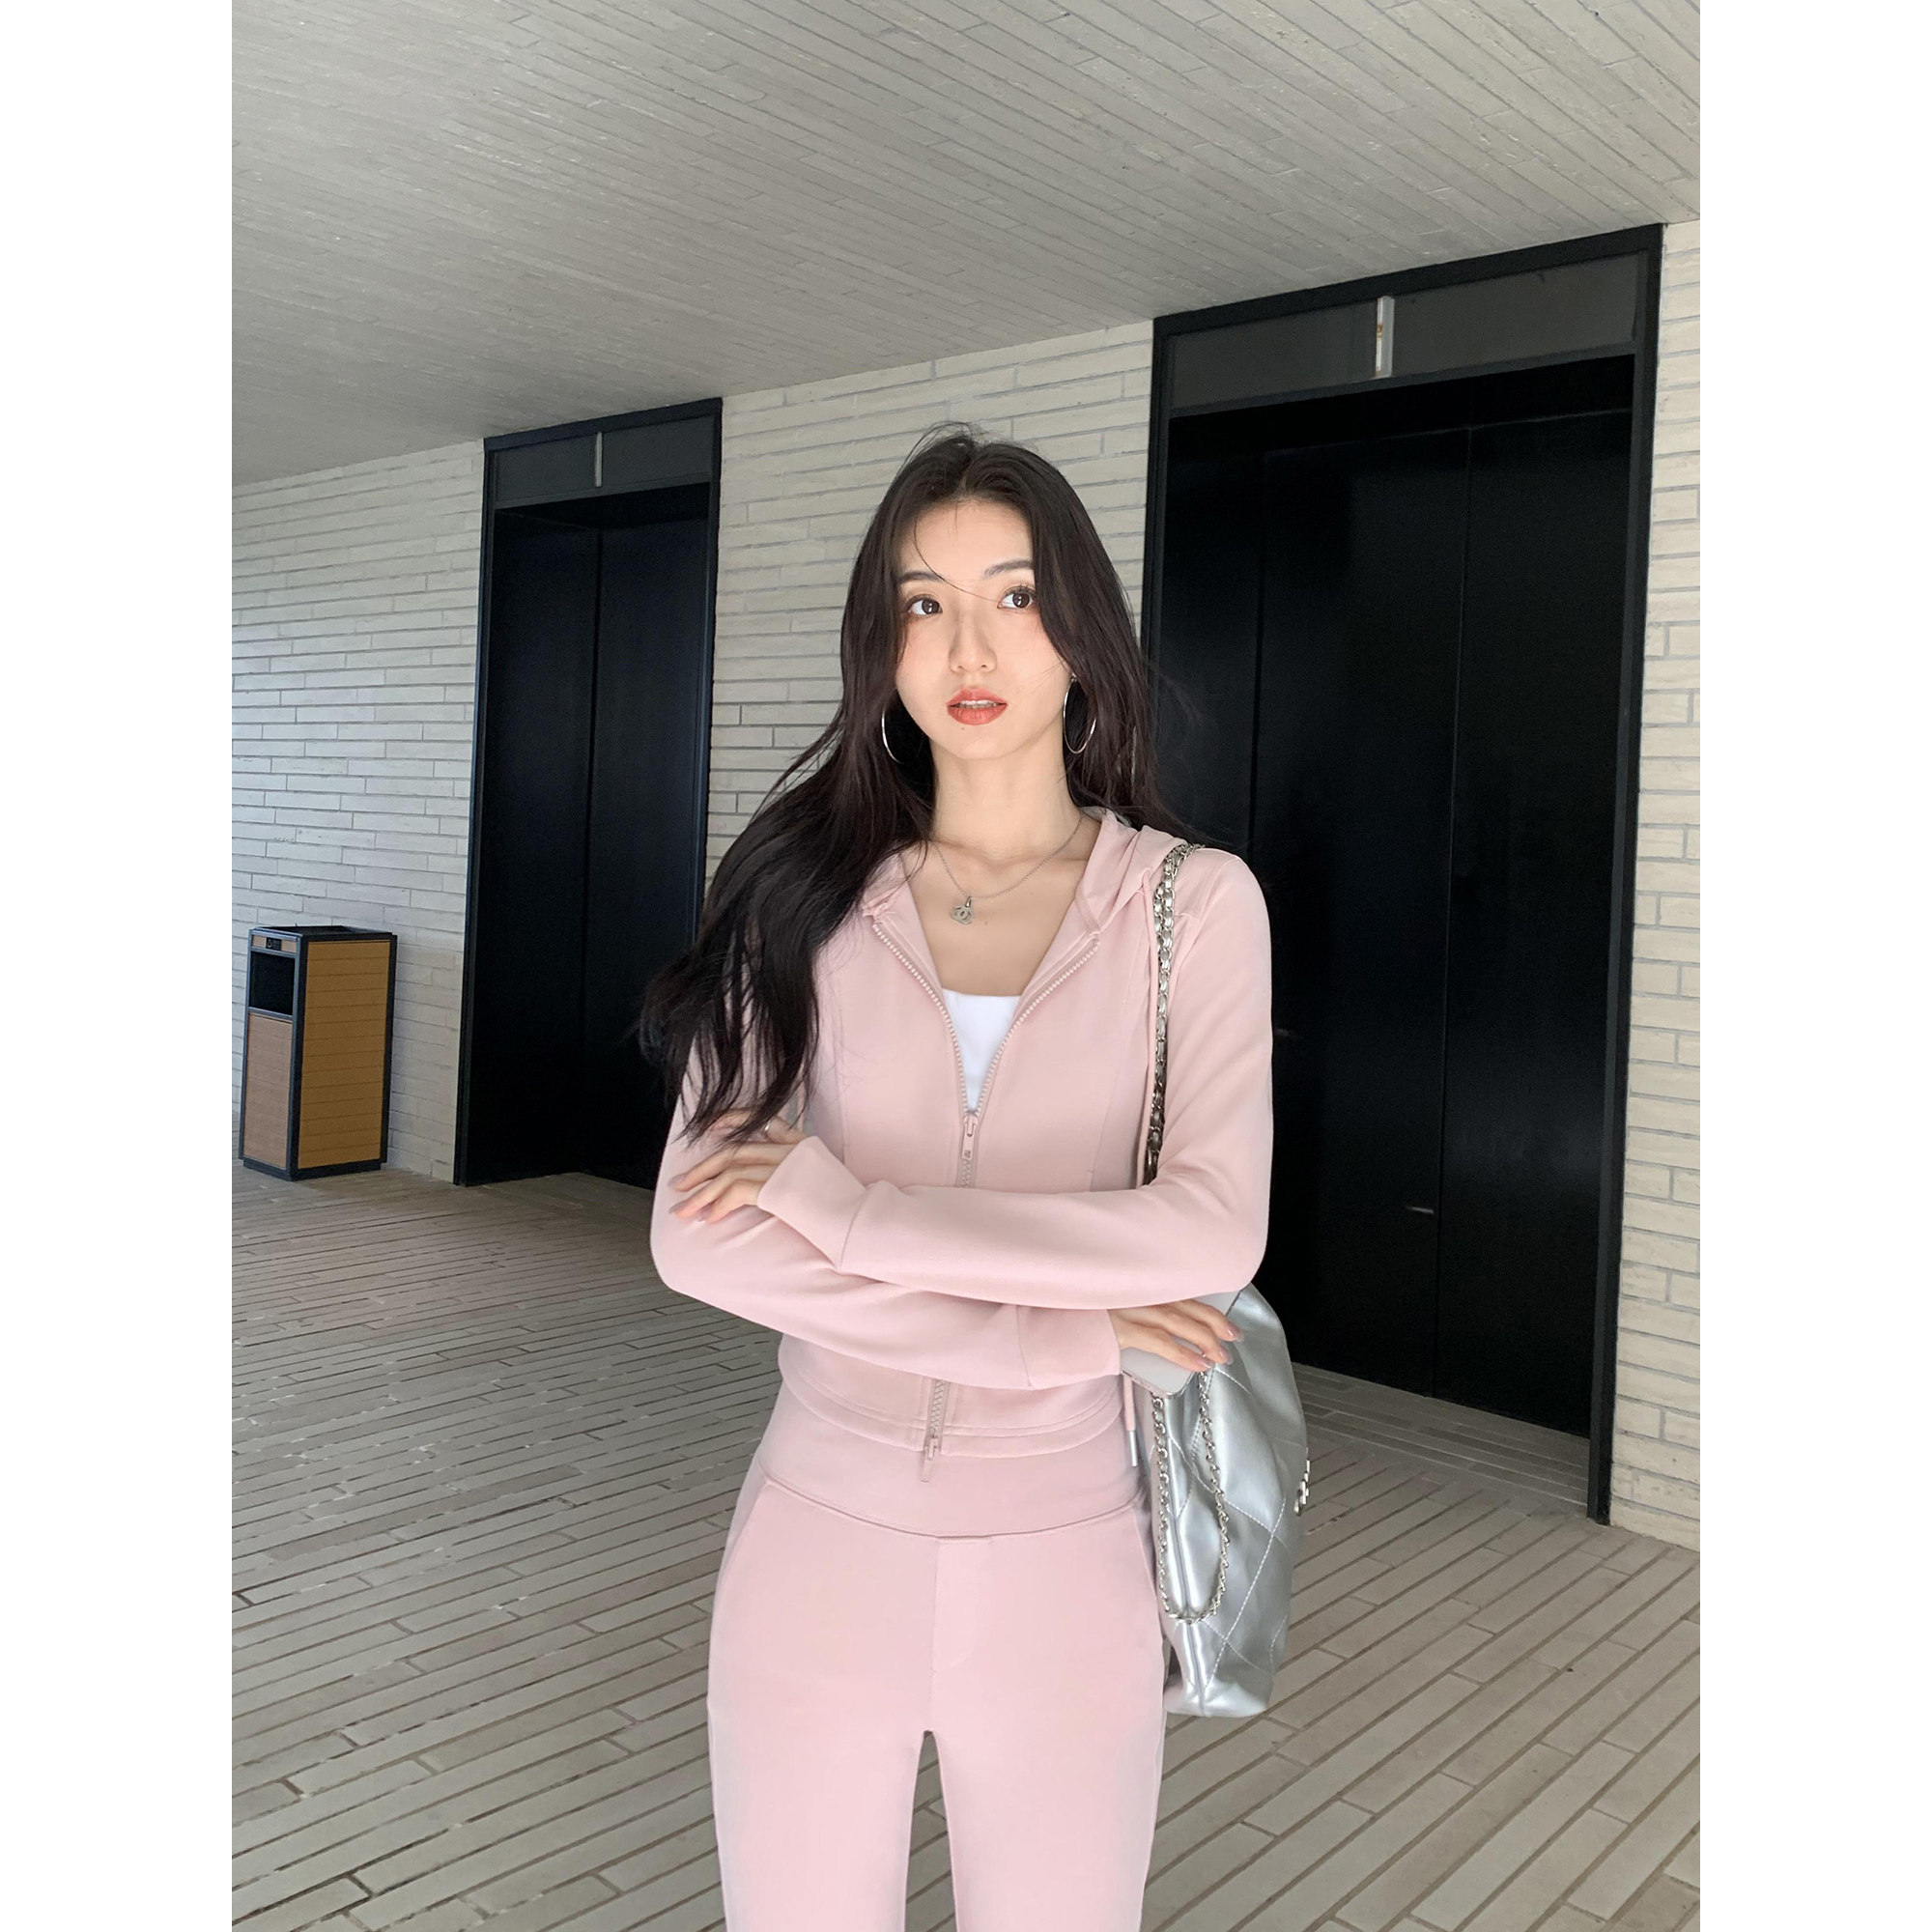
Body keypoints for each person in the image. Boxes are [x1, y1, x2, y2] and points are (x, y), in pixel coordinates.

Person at [641, 421, 1273, 1932]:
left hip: (1068, 1562)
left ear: (1083, 632)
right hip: (815, 1538)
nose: (969, 646)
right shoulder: (803, 893)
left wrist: (847, 1213)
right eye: (923, 603)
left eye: (1015, 595)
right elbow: (697, 1238)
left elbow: (1208, 1231)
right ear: (882, 644)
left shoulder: (1193, 907)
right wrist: (1059, 1332)